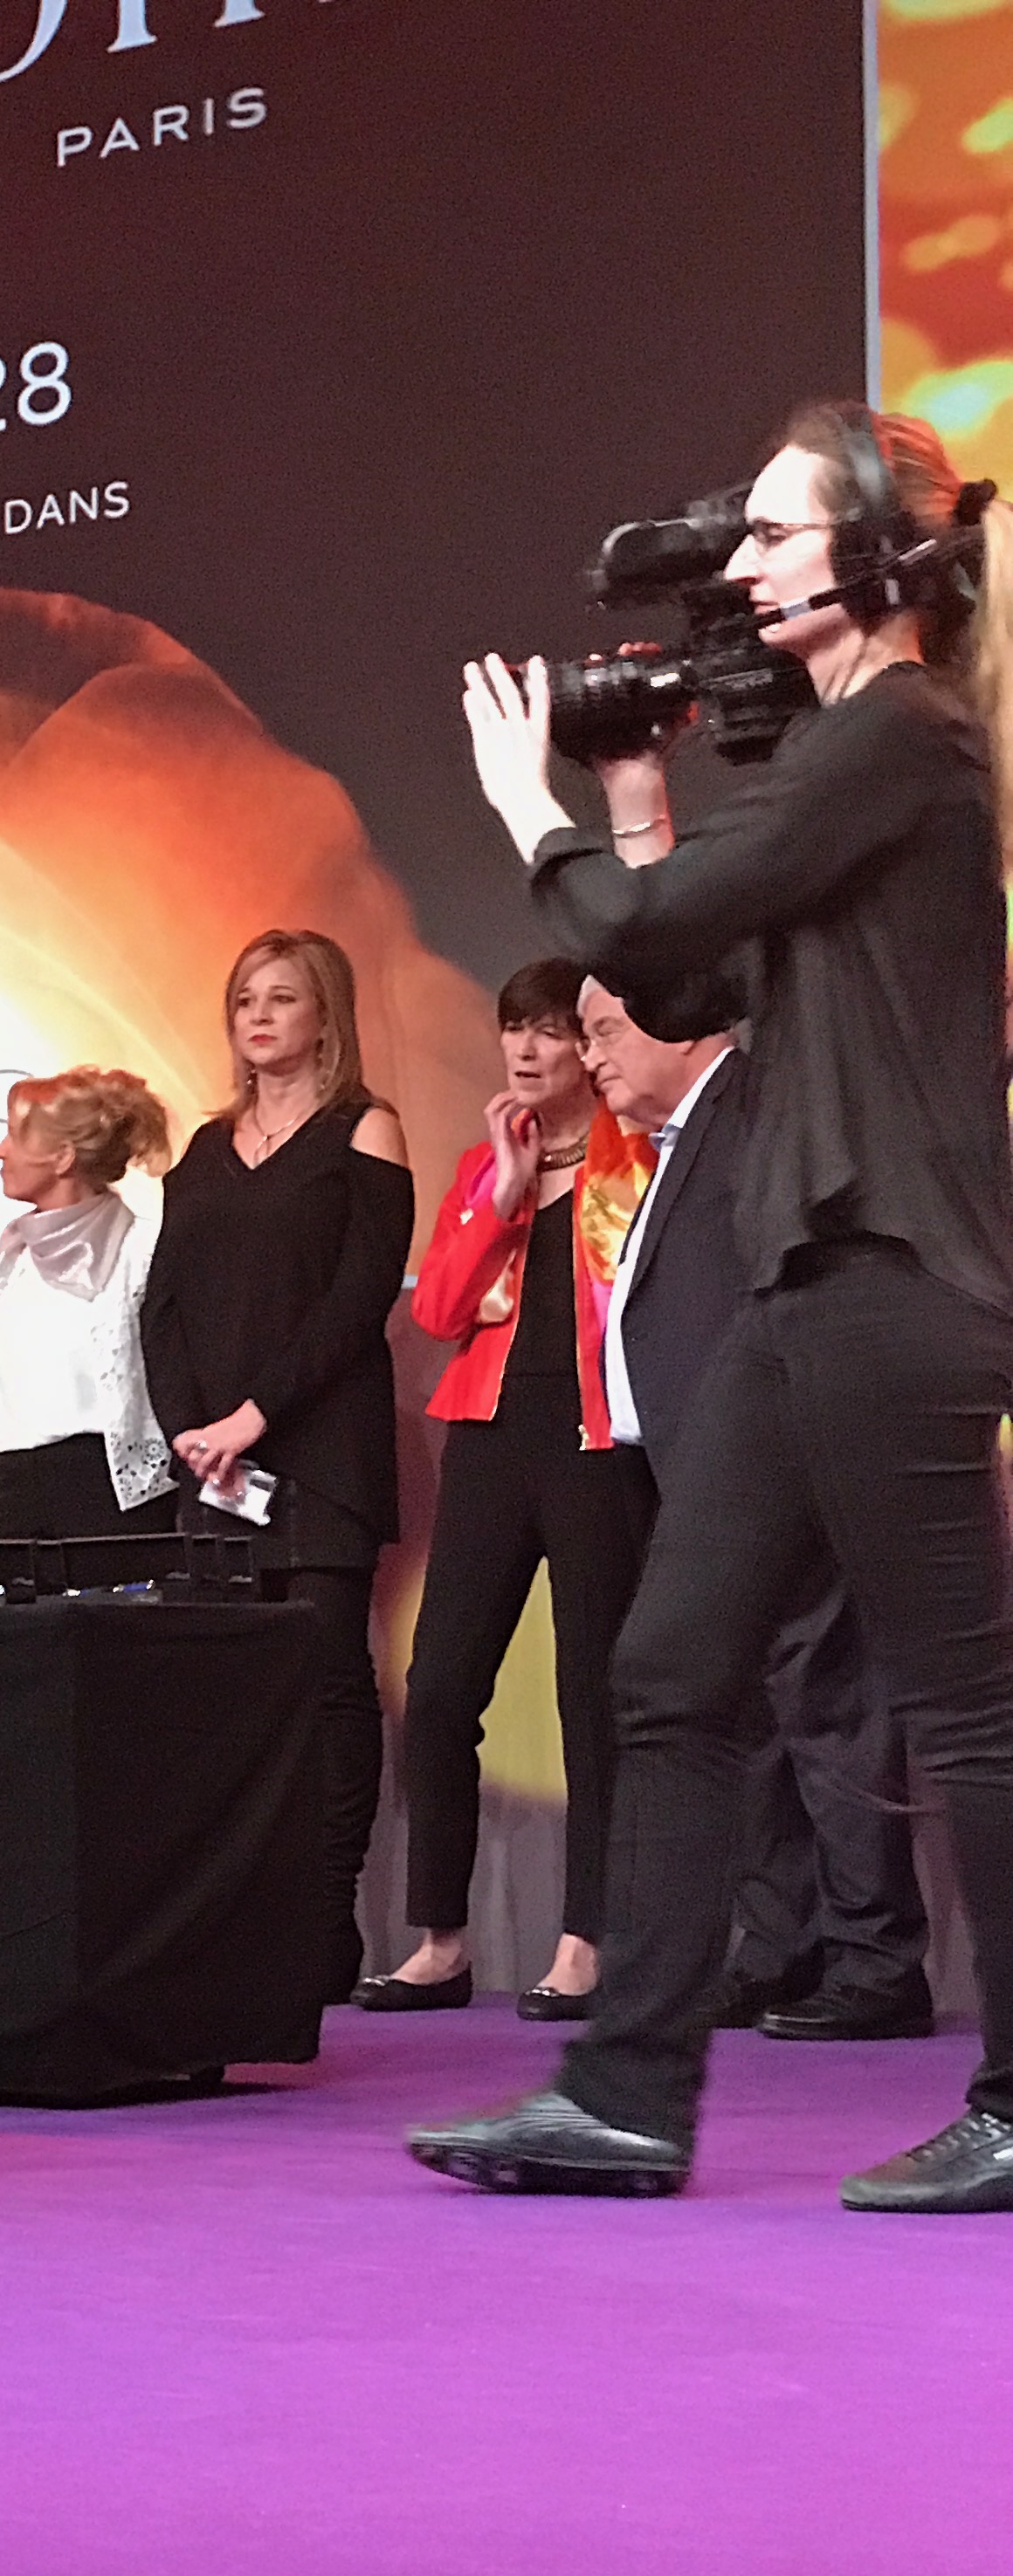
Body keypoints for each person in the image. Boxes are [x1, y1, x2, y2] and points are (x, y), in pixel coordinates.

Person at [417, 402, 1013, 2212]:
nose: (741, 565)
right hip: (801, 1275)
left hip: (892, 1277)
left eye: (773, 531)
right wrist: (625, 797)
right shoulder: (842, 756)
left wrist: (529, 811)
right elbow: (680, 970)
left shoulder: (902, 732)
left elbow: (644, 924)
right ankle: (624, 2096)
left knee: (965, 1705)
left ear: (881, 554)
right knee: (673, 1668)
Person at [577, 979, 932, 2047]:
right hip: (707, 1474)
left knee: (827, 1697)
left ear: (682, 1023)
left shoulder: (756, 1108)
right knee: (756, 1713)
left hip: (787, 1461)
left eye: (605, 1030)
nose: (591, 1055)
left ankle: (875, 1961)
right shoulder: (687, 1135)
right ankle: (781, 1947)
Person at [362, 963, 655, 2022]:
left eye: (550, 1032)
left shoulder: (639, 1159)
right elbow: (438, 1312)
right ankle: (441, 1941)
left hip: (597, 1441)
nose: (526, 1052)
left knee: (591, 1692)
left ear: (590, 1046)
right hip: (488, 1436)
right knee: (439, 1686)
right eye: (513, 1031)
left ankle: (588, 1940)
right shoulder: (488, 1164)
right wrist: (503, 1192)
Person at [139, 930, 414, 2002]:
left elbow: (358, 1300)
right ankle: (239, 1918)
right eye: (246, 998)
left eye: (282, 997)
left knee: (332, 1682)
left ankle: (324, 1921)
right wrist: (188, 1429)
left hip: (322, 1449)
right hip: (213, 1466)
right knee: (232, 1697)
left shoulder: (365, 1129)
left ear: (324, 1014)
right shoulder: (205, 1147)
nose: (258, 1016)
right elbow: (163, 1304)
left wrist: (254, 1417)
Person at [0, 1068, 177, 1540]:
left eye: (14, 1136)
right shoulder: (12, 1255)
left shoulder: (143, 1248)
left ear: (63, 1156)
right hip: (17, 1492)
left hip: (106, 1496)